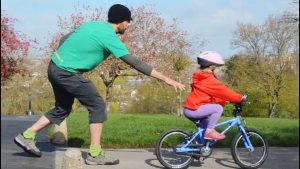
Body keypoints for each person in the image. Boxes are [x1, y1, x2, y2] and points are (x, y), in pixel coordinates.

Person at [14, 4, 185, 165]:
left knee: (62, 108)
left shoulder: (92, 25)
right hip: (67, 73)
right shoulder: (110, 37)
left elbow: (64, 37)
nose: (129, 25)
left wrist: (65, 55)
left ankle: (27, 135)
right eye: (128, 21)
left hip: (54, 67)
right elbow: (135, 63)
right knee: (97, 105)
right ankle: (94, 154)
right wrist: (166, 79)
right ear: (122, 21)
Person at [183, 51, 244, 141]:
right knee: (218, 108)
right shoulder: (209, 80)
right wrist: (239, 98)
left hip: (190, 109)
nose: (219, 70)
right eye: (218, 67)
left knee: (205, 127)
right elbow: (224, 92)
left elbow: (215, 95)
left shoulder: (202, 78)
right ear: (212, 67)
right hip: (194, 110)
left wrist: (224, 101)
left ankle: (197, 146)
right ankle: (210, 131)